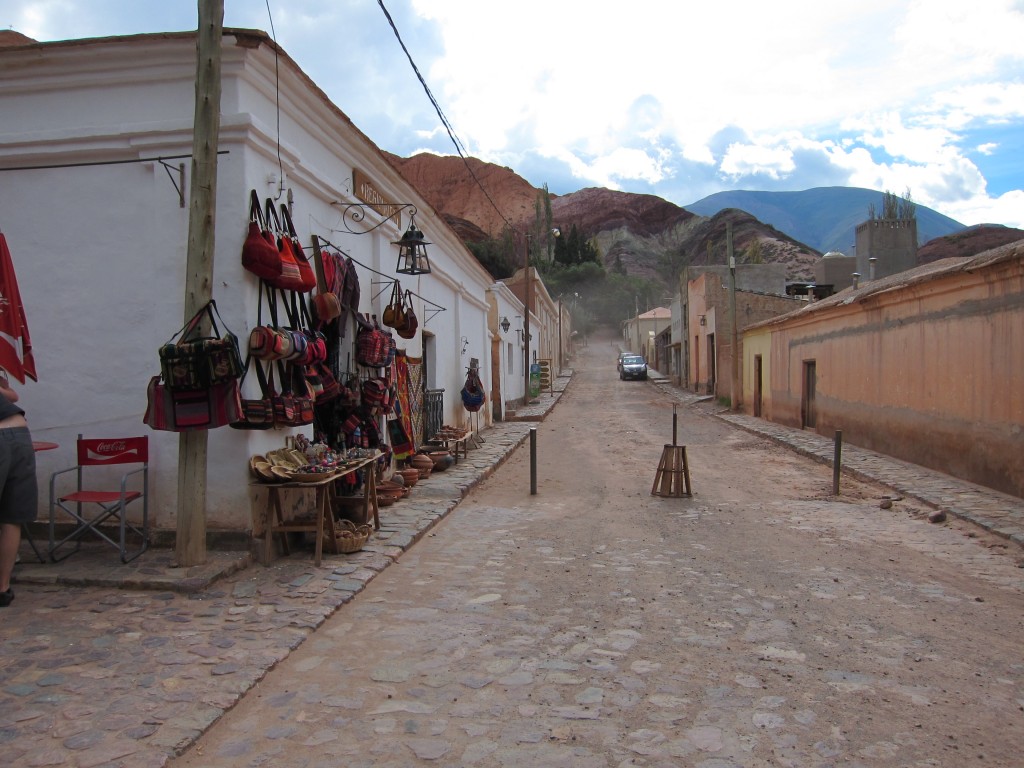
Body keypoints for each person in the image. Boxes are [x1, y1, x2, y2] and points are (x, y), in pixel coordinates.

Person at [0, 372, 36, 607]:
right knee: (10, 517)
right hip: (19, 432)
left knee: (10, 516)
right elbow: (11, 394)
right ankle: (2, 588)